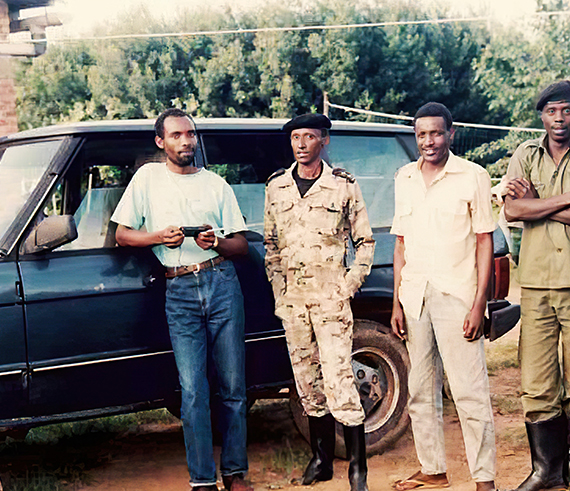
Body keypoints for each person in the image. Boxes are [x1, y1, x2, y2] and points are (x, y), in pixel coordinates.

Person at [111, 108, 253, 491]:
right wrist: (159, 237)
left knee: (233, 387)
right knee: (192, 391)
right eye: (176, 135)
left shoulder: (216, 184)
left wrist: (216, 241)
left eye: (190, 134)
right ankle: (202, 480)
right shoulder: (148, 179)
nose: (185, 141)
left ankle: (236, 473)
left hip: (221, 281)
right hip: (178, 289)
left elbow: (241, 244)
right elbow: (123, 235)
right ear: (161, 142)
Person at [502, 81, 570, 491]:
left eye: (566, 111)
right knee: (535, 380)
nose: (559, 119)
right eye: (551, 112)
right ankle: (543, 471)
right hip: (535, 285)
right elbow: (513, 209)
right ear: (542, 116)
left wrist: (540, 205)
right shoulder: (525, 154)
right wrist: (569, 198)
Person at [389, 102, 498, 491]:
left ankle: (484, 479)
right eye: (421, 134)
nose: (429, 141)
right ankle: (433, 469)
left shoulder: (473, 176)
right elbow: (400, 244)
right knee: (420, 390)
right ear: (415, 137)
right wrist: (397, 302)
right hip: (415, 296)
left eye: (436, 133)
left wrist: (478, 303)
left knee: (469, 392)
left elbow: (484, 242)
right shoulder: (404, 177)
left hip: (458, 295)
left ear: (450, 134)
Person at [264, 113, 375, 491]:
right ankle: (321, 459)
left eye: (309, 136)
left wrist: (347, 286)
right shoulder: (277, 187)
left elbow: (365, 244)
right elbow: (271, 247)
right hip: (294, 304)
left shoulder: (342, 186)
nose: (301, 143)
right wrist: (280, 292)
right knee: (307, 383)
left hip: (330, 301)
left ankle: (358, 468)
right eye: (295, 137)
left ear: (323, 141)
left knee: (340, 379)